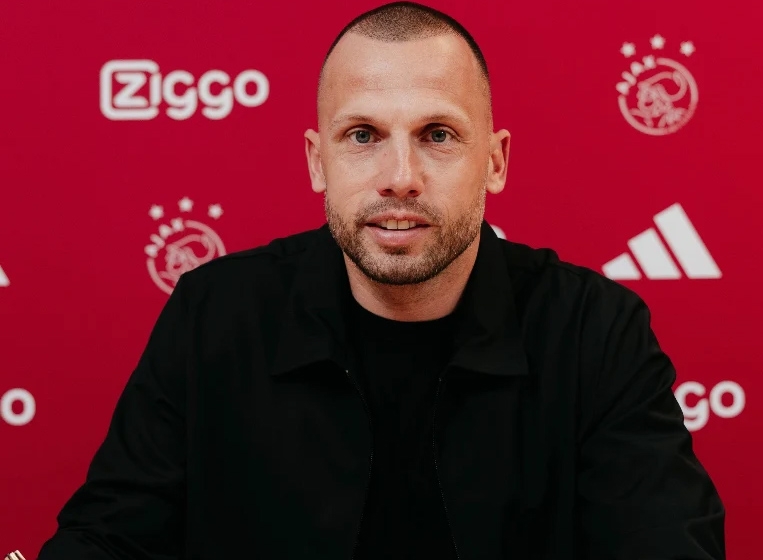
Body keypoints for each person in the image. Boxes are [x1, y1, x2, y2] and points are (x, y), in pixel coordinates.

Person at [37, 1, 725, 558]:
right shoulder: (214, 316)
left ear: (495, 162)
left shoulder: (595, 332)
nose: (400, 177)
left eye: (438, 135)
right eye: (363, 135)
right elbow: (110, 538)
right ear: (317, 162)